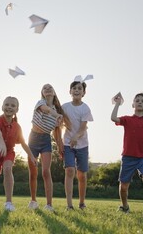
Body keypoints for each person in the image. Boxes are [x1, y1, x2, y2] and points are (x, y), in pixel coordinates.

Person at [27, 84, 69, 211]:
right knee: (33, 172)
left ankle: (49, 204)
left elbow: (57, 132)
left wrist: (60, 147)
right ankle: (33, 201)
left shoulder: (58, 110)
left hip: (46, 139)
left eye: (50, 87)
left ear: (54, 92)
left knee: (46, 171)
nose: (48, 89)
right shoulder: (41, 103)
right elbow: (46, 109)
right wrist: (56, 115)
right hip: (33, 138)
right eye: (45, 88)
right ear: (42, 93)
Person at [61, 80, 93, 210]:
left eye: (80, 88)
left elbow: (83, 127)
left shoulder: (85, 108)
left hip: (82, 145)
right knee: (69, 171)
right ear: (70, 91)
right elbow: (60, 121)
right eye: (74, 88)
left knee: (82, 175)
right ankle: (69, 205)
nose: (77, 90)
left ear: (84, 93)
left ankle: (81, 203)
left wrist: (76, 137)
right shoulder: (64, 107)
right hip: (68, 145)